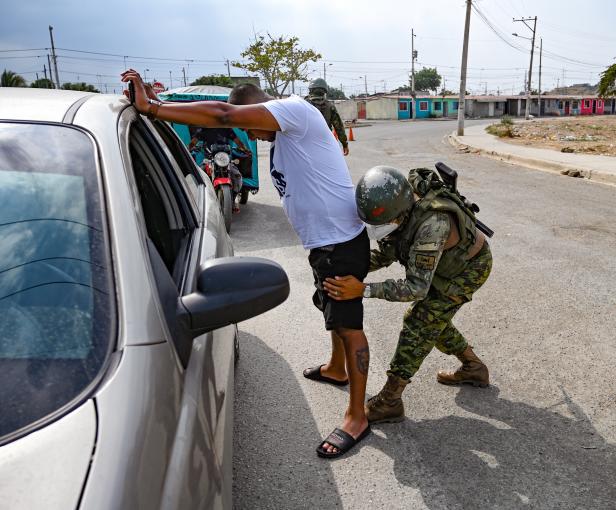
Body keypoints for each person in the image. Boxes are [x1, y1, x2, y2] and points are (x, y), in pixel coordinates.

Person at [120, 70, 371, 459]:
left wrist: (154, 108)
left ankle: (357, 415)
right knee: (332, 309)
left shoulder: (294, 111)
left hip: (340, 242)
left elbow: (223, 114)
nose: (252, 135)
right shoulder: (286, 134)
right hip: (325, 242)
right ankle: (337, 368)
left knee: (350, 325)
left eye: (251, 126)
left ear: (257, 106)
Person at [323, 165, 493, 424]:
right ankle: (474, 367)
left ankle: (389, 401)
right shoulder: (399, 208)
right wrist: (347, 267)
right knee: (434, 320)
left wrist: (363, 289)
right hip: (443, 264)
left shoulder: (432, 225)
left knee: (419, 322)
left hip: (467, 269)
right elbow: (387, 252)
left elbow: (416, 288)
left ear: (400, 213)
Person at [305, 78, 349, 156]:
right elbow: (339, 127)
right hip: (325, 143)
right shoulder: (330, 106)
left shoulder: (303, 104)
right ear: (324, 91)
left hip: (306, 144)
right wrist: (344, 144)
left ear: (311, 90)